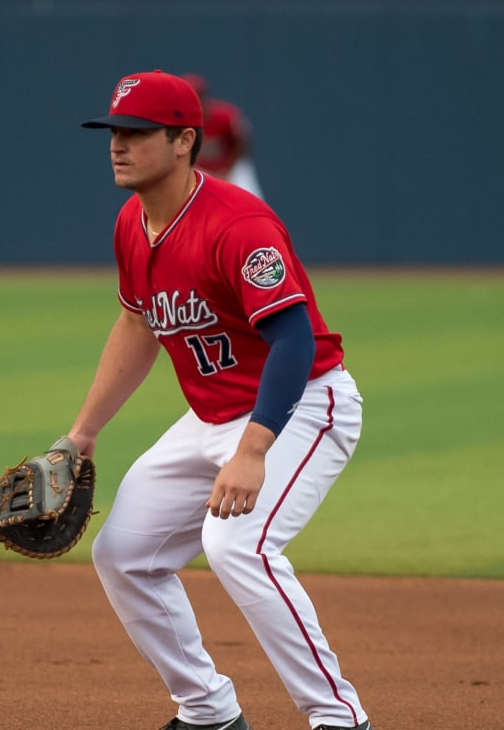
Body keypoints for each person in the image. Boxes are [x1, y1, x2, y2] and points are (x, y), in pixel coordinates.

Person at [70, 69, 372, 730]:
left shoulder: (239, 225)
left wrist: (253, 450)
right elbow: (136, 323)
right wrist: (81, 434)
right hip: (211, 416)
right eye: (114, 132)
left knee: (239, 547)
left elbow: (293, 339)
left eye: (138, 133)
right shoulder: (132, 223)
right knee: (124, 554)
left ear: (184, 141)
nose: (119, 146)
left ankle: (340, 720)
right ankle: (207, 712)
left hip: (301, 404)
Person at [181, 73, 264, 199]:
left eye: (199, 96)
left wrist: (228, 170)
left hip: (231, 168)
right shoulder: (181, 121)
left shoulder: (224, 116)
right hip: (200, 170)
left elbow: (242, 140)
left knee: (251, 197)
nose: (196, 101)